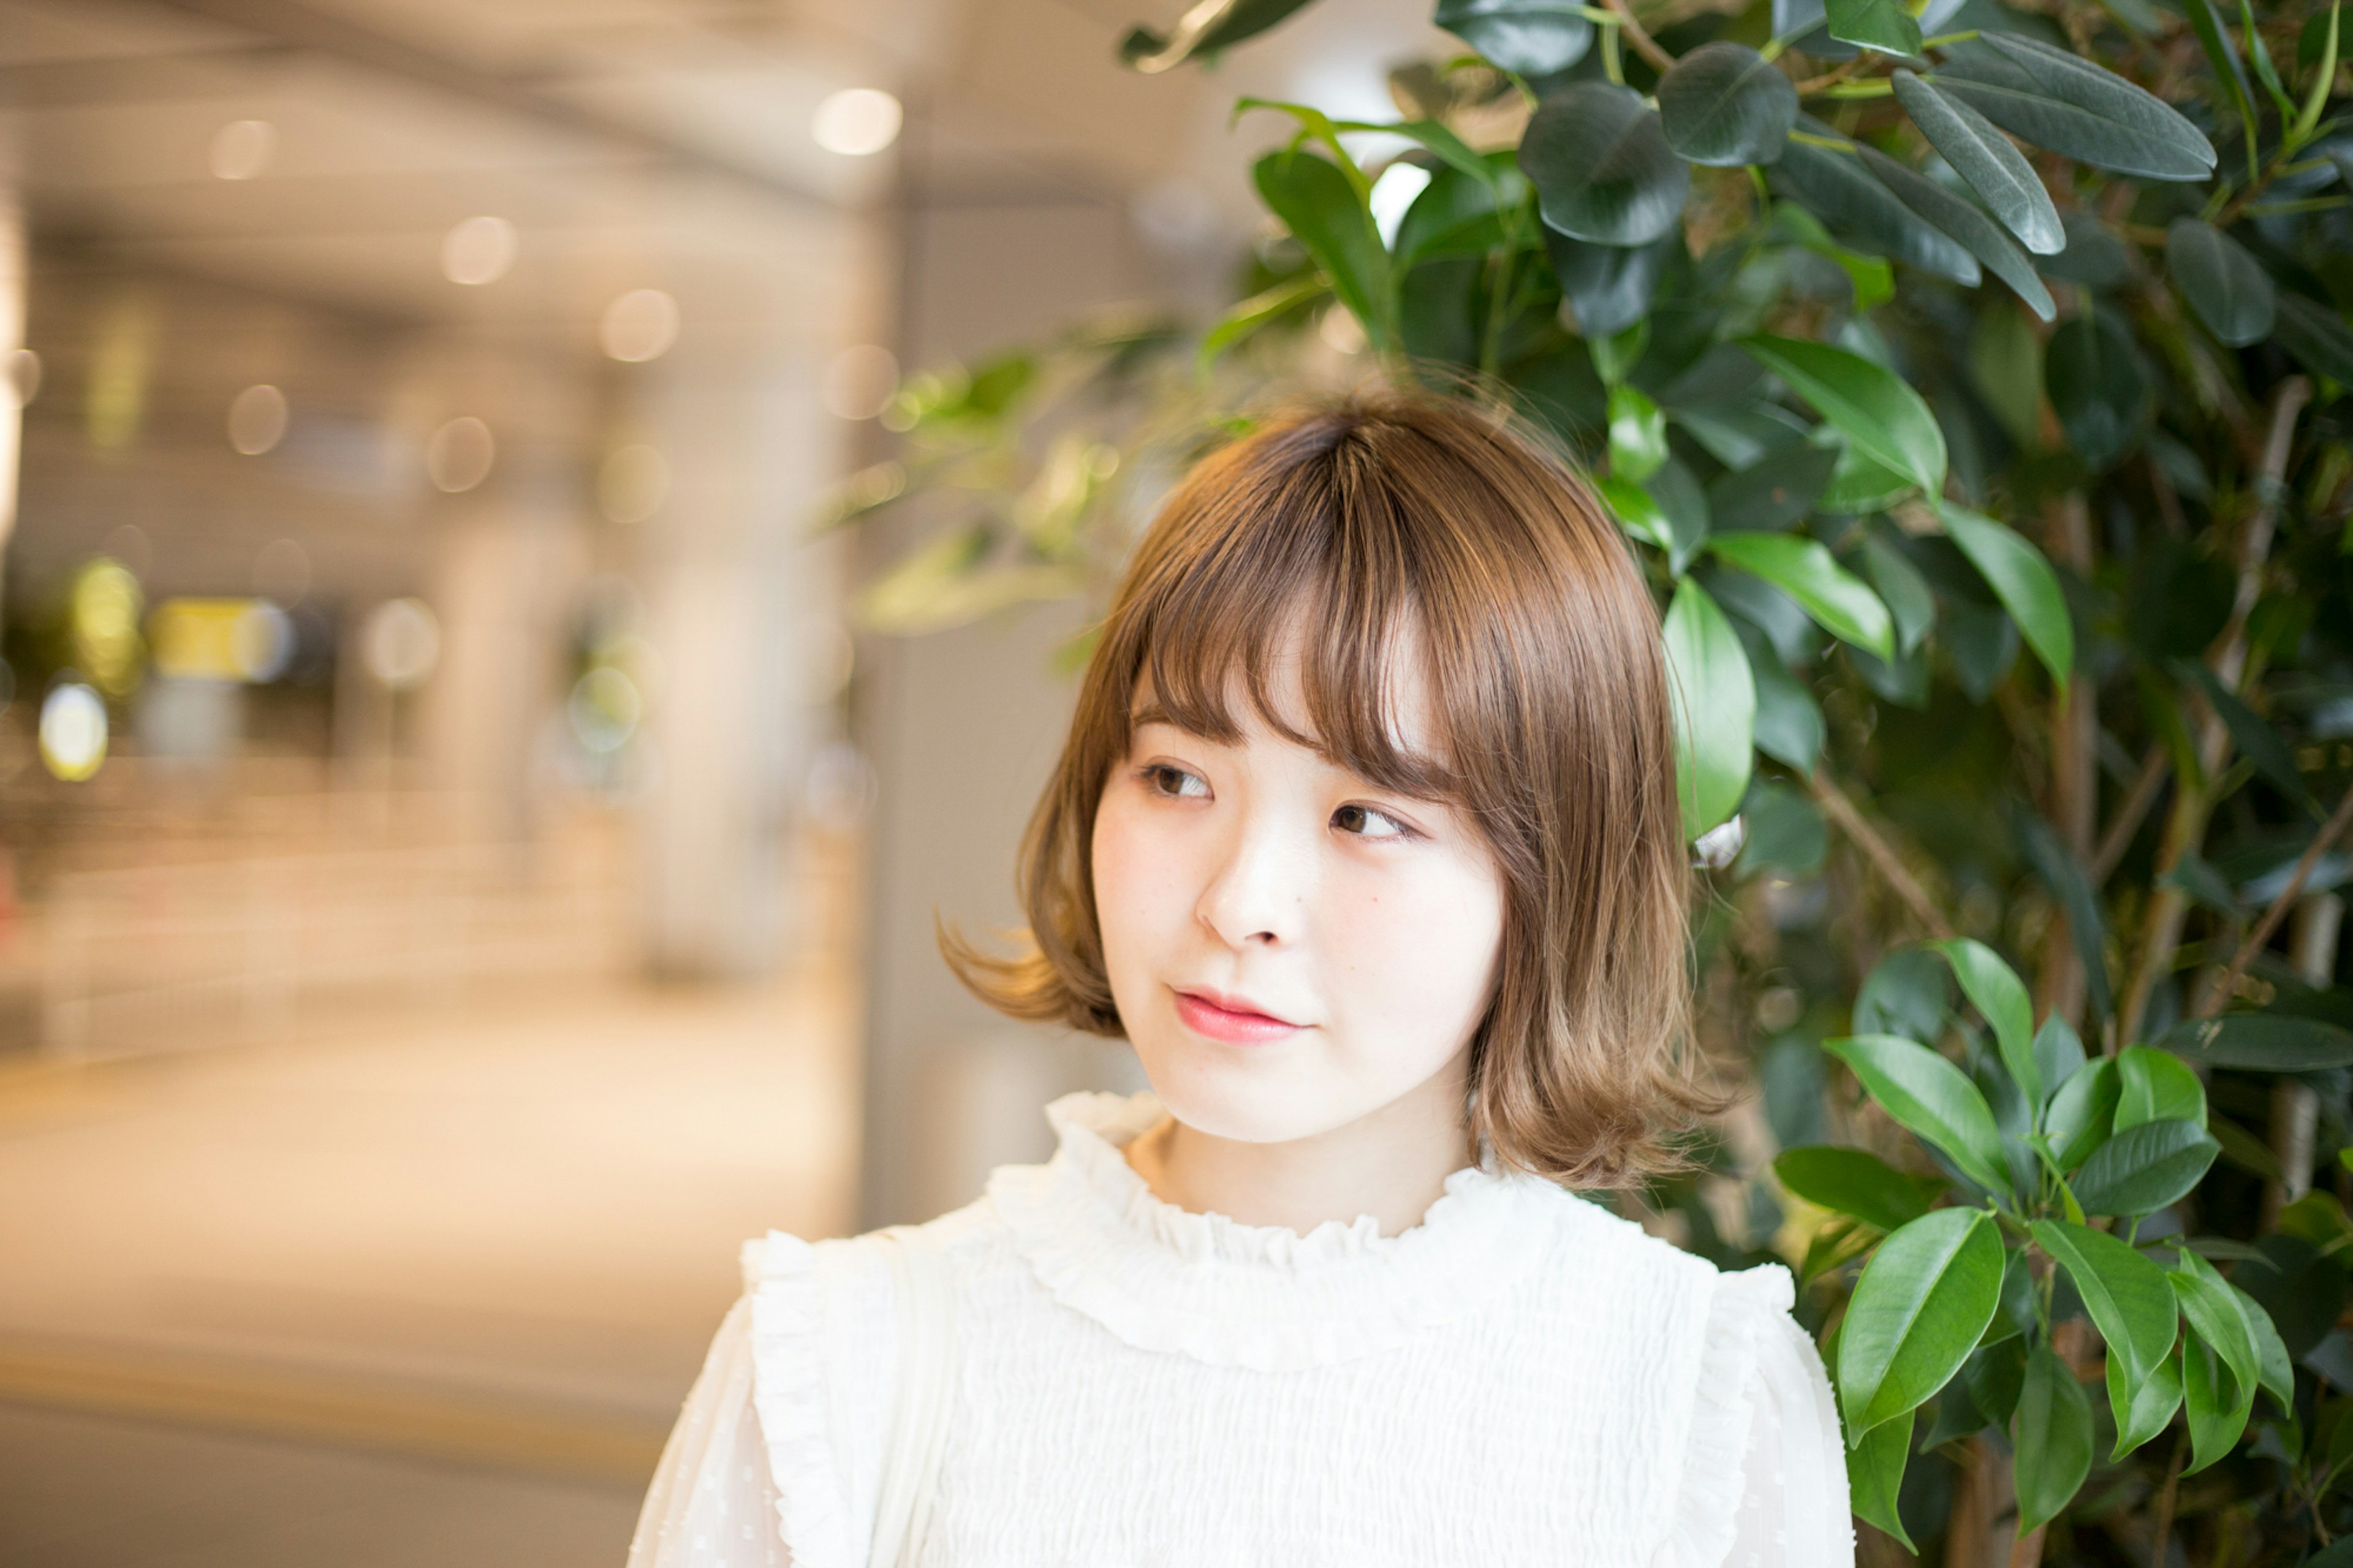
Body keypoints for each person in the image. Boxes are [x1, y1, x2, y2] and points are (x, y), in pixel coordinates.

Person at [626, 388, 1853, 1567]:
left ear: (1555, 873)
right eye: (1176, 777)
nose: (1239, 901)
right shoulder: (839, 1369)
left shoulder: (1696, 1405)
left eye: (1366, 814)